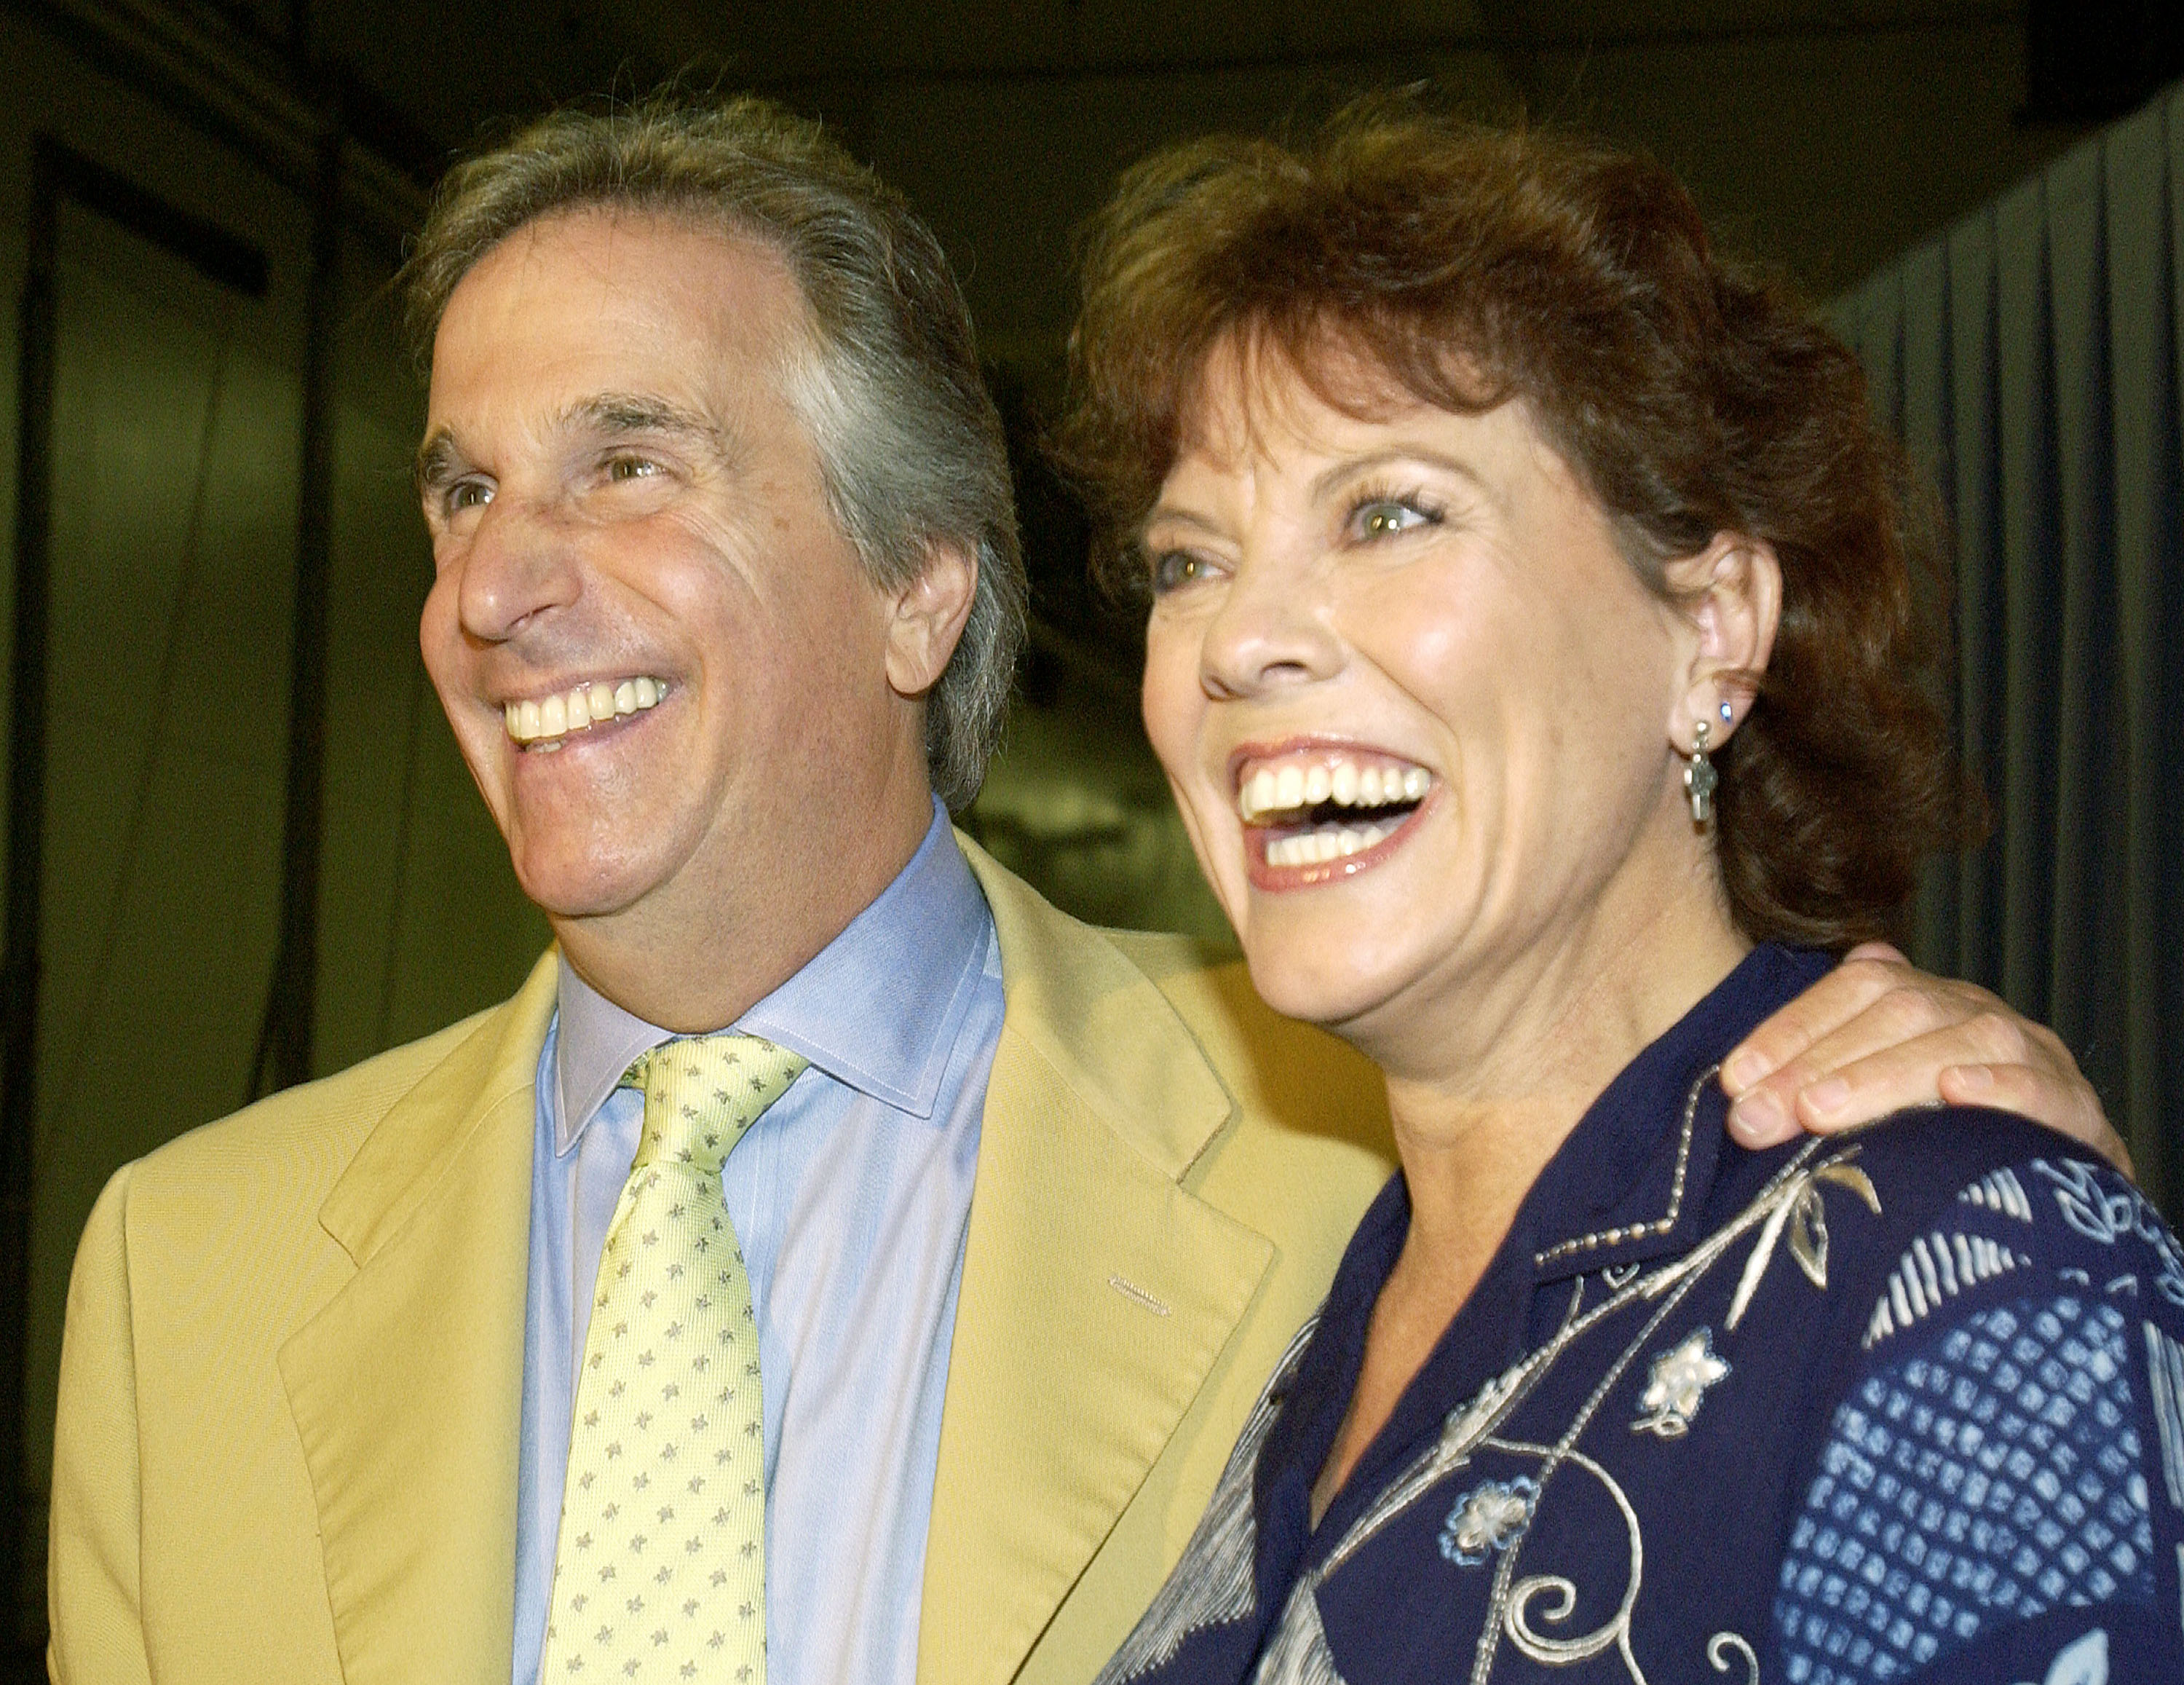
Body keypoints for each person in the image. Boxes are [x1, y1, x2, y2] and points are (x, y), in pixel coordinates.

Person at [46, 94, 2118, 1685]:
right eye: (463, 488)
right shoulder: (177, 1280)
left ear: (920, 587)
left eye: (630, 461)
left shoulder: (1356, 1176)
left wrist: (2004, 1231)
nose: (497, 582)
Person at [1059, 111, 2184, 1685]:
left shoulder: (1949, 1259)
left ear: (1711, 628)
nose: (1239, 641)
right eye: (1190, 562)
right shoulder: (1335, 1319)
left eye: (1387, 512)